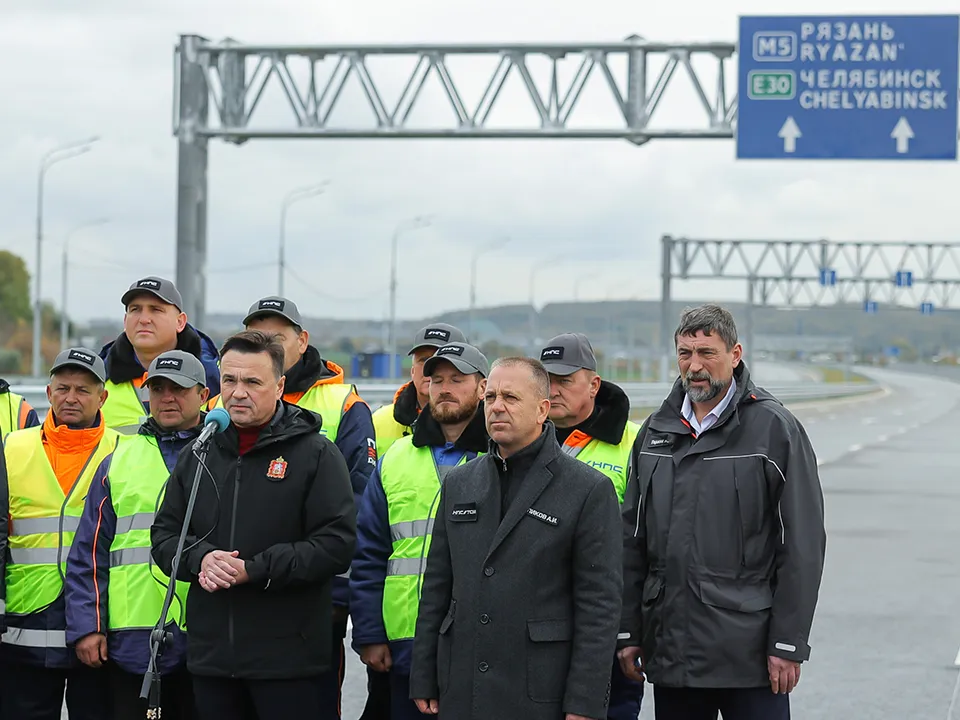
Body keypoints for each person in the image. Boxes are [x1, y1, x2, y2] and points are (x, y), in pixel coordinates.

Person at [617, 304, 826, 720]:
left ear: (735, 354)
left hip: (750, 657)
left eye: (706, 353)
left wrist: (788, 643)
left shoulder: (774, 429)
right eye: (685, 353)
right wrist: (628, 629)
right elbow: (631, 540)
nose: (694, 366)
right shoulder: (655, 433)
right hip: (672, 651)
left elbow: (801, 544)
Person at [150, 330, 357, 719]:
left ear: (279, 387)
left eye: (252, 382)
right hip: (212, 660)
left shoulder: (316, 454)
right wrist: (201, 559)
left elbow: (336, 545)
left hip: (289, 663)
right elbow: (164, 536)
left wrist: (255, 570)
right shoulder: (199, 453)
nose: (238, 393)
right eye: (229, 380)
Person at [409, 356, 623, 720]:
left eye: (510, 397)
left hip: (540, 690)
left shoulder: (587, 490)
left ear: (542, 410)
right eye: (490, 397)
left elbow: (599, 607)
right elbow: (437, 588)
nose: (496, 407)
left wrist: (585, 702)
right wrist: (424, 675)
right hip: (464, 687)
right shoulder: (460, 483)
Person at [207, 294, 377, 717]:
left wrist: (337, 594)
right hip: (223, 615)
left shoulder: (342, 405)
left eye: (278, 336)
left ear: (302, 341)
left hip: (310, 603)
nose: (239, 392)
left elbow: (353, 507)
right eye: (258, 335)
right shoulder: (218, 413)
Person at [65, 350, 211, 719]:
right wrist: (88, 627)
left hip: (208, 634)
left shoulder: (225, 456)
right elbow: (89, 553)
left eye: (179, 389)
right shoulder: (118, 460)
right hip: (132, 636)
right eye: (158, 389)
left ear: (203, 395)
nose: (167, 398)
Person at [352, 342, 489, 720]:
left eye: (457, 380)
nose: (444, 388)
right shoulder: (396, 458)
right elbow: (369, 552)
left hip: (482, 643)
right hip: (405, 640)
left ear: (483, 388)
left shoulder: (502, 454)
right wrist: (369, 633)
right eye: (437, 380)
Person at [0, 348, 120, 720]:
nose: (71, 398)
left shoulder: (124, 450)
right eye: (63, 388)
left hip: (99, 627)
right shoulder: (12, 447)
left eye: (83, 390)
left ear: (102, 397)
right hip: (23, 624)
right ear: (49, 393)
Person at [539, 333, 644, 720]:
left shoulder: (636, 442)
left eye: (564, 381)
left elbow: (645, 544)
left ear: (594, 384)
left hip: (607, 629)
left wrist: (631, 629)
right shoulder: (521, 438)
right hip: (537, 629)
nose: (553, 390)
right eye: (546, 381)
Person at [99, 276, 220, 435]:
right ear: (125, 321)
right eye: (135, 309)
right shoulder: (97, 381)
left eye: (156, 309)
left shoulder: (221, 379)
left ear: (180, 322)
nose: (144, 319)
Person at [372, 323, 468, 458]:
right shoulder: (379, 422)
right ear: (412, 371)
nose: (430, 369)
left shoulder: (485, 425)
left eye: (441, 361)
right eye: (424, 360)